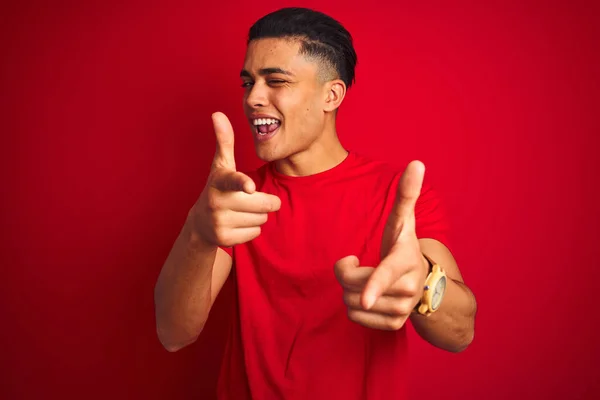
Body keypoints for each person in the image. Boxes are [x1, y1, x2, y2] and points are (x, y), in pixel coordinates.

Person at [154, 7, 477, 400]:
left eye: (275, 80)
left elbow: (461, 334)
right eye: (248, 82)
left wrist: (423, 279)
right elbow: (173, 334)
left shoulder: (397, 195)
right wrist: (197, 232)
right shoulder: (236, 199)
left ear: (331, 95)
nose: (253, 98)